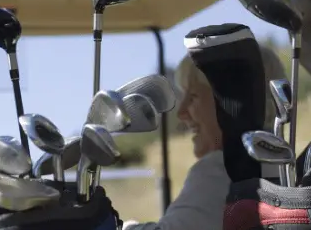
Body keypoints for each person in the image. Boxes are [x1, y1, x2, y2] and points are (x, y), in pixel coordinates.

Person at [123, 44, 287, 230]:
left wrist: (125, 227)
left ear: (231, 104)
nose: (182, 112)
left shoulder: (222, 169)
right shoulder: (279, 164)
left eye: (193, 96)